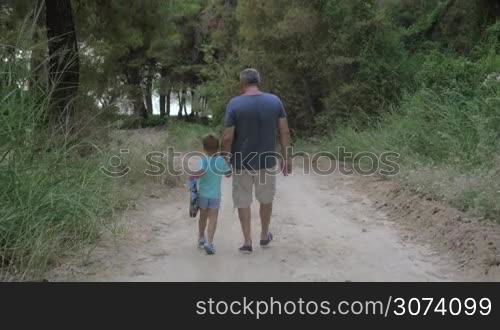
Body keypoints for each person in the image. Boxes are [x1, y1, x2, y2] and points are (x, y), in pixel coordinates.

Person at [222, 68, 292, 253]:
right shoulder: (274, 101)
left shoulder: (234, 104)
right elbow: (284, 131)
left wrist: (225, 161)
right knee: (266, 198)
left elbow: (228, 137)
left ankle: (247, 241)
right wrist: (287, 157)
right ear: (258, 81)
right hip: (266, 162)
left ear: (242, 83)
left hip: (241, 163)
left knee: (243, 200)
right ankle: (264, 235)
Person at [193, 134, 231, 255]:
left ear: (204, 148)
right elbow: (228, 174)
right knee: (213, 218)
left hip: (203, 195)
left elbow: (198, 174)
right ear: (218, 148)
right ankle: (209, 242)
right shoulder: (220, 161)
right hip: (215, 196)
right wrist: (227, 164)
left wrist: (193, 177)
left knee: (203, 217)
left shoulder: (203, 161)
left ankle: (201, 237)